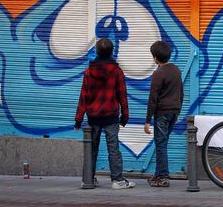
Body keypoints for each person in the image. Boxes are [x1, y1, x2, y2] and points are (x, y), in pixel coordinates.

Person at [74, 38, 135, 190]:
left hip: (93, 116)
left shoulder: (89, 71)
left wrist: (78, 119)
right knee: (113, 148)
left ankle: (88, 179)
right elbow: (122, 95)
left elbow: (83, 96)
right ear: (111, 51)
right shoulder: (116, 71)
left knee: (91, 148)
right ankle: (117, 180)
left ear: (97, 51)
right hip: (111, 117)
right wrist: (125, 116)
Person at [144, 41, 184, 187]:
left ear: (155, 57)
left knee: (160, 145)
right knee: (163, 143)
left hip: (162, 113)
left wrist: (147, 120)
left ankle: (163, 177)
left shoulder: (158, 73)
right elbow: (181, 93)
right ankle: (157, 175)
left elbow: (152, 99)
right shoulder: (176, 70)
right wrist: (177, 111)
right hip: (174, 111)